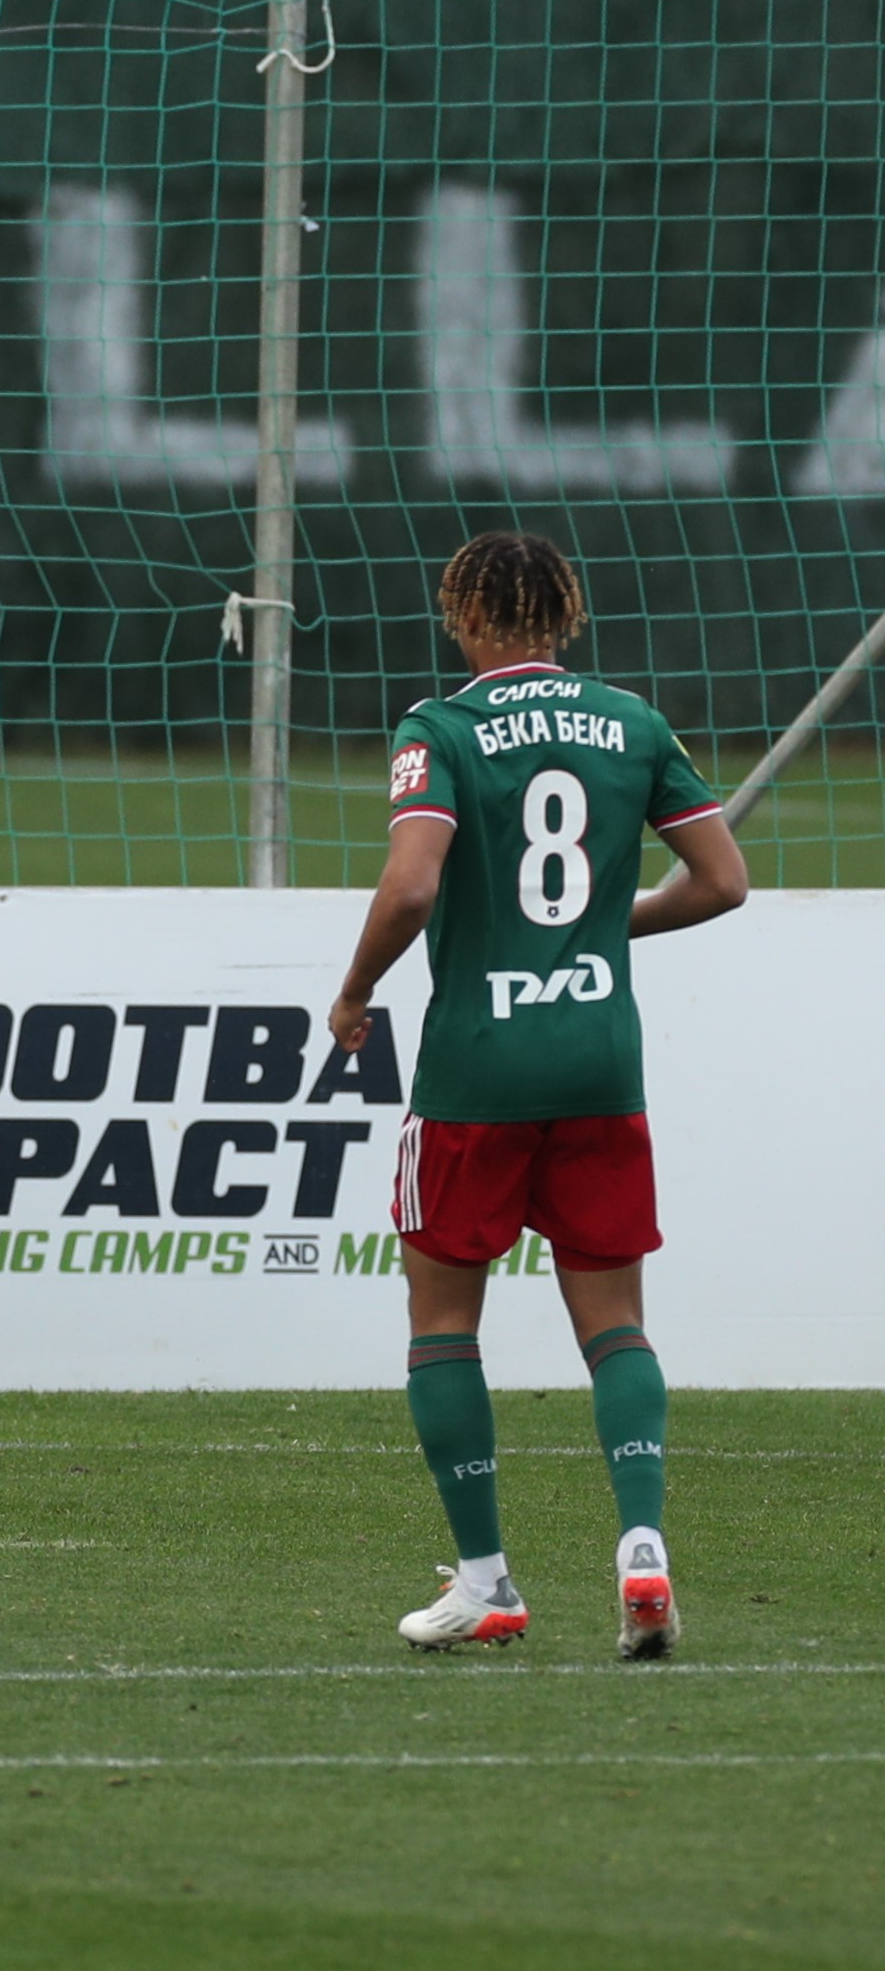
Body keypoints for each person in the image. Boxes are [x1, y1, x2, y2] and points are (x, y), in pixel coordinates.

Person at [328, 531, 743, 1659]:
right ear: (565, 615)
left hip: (475, 1070)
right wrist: (608, 927)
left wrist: (356, 986)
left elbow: (412, 886)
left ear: (463, 616)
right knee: (614, 1326)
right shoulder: (632, 724)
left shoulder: (441, 729)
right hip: (600, 1064)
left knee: (441, 1321)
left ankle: (486, 1582)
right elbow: (722, 882)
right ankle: (643, 1547)